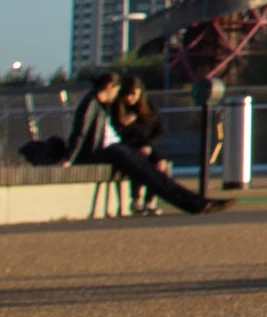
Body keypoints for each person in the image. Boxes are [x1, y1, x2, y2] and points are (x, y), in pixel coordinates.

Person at [62, 68, 230, 214]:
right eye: (116, 91)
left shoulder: (100, 105)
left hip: (115, 149)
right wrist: (69, 158)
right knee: (149, 175)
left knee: (154, 173)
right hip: (105, 152)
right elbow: (80, 133)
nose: (117, 95)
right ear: (108, 87)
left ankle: (199, 201)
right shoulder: (91, 104)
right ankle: (195, 204)